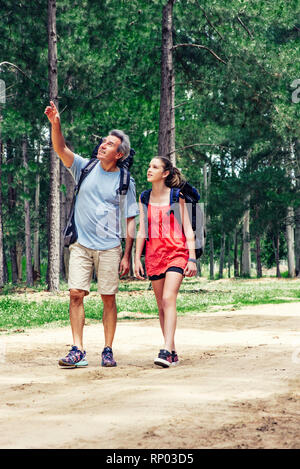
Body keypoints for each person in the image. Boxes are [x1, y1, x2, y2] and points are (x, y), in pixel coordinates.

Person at [44, 101, 138, 368]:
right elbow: (60, 148)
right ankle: (78, 349)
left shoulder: (125, 181)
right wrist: (56, 124)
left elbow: (130, 220)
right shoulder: (84, 167)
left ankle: (107, 349)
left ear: (118, 154)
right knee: (75, 293)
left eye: (109, 144)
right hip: (81, 245)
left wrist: (127, 255)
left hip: (110, 247)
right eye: (104, 142)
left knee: (108, 297)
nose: (103, 145)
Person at [134, 156, 197, 368]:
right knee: (161, 304)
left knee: (169, 298)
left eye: (154, 167)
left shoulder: (176, 195)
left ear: (165, 173)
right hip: (154, 255)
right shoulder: (144, 197)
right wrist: (136, 258)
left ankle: (166, 349)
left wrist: (192, 258)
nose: (149, 169)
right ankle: (173, 352)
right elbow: (142, 230)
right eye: (149, 165)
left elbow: (188, 228)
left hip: (176, 252)